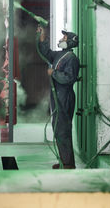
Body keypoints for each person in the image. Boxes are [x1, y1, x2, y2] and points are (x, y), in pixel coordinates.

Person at [37, 27, 80, 169]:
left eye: (64, 38)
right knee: (58, 129)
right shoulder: (60, 55)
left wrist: (54, 73)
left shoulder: (72, 59)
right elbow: (46, 53)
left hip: (65, 97)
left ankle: (68, 164)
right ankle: (64, 161)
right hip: (57, 97)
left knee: (63, 130)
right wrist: (43, 36)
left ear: (70, 42)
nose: (61, 39)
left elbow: (69, 78)